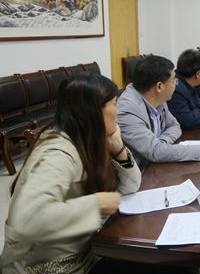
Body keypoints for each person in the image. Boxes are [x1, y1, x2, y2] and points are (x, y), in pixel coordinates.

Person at [1, 72, 141, 274]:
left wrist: (118, 149)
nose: (117, 111)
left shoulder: (88, 139)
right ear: (93, 111)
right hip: (51, 267)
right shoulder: (57, 153)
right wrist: (96, 204)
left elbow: (131, 187)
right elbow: (27, 219)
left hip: (88, 254)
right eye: (114, 104)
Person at [118, 55, 200, 169]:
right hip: (142, 173)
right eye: (173, 80)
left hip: (158, 164)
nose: (176, 84)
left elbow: (174, 125)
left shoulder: (156, 96)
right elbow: (155, 151)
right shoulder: (128, 110)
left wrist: (161, 142)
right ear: (159, 87)